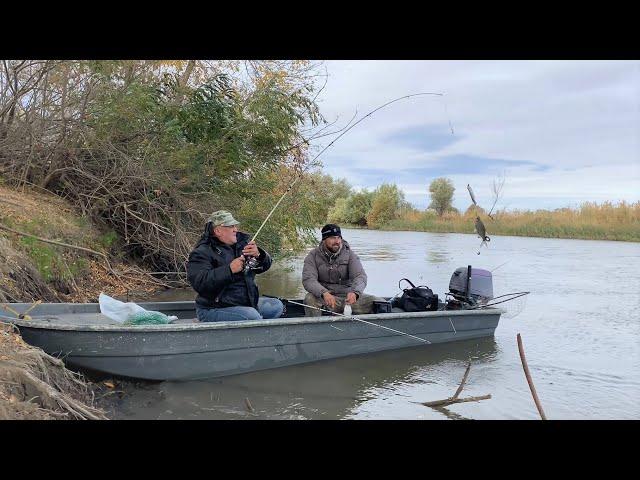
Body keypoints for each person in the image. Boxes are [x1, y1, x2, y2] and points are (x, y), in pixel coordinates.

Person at [187, 210, 284, 322]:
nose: (235, 229)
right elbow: (200, 283)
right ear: (218, 231)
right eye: (230, 226)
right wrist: (229, 270)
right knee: (251, 316)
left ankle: (254, 326)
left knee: (276, 306)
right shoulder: (202, 252)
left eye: (235, 226)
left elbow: (264, 266)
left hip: (246, 303)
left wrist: (259, 255)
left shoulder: (242, 245)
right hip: (213, 308)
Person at [301, 224, 383, 317]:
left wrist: (355, 292)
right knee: (310, 299)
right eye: (332, 238)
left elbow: (360, 276)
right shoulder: (312, 256)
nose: (337, 241)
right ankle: (316, 329)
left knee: (381, 303)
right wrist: (323, 293)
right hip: (326, 299)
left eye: (338, 238)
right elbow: (308, 280)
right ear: (324, 239)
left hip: (348, 300)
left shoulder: (350, 255)